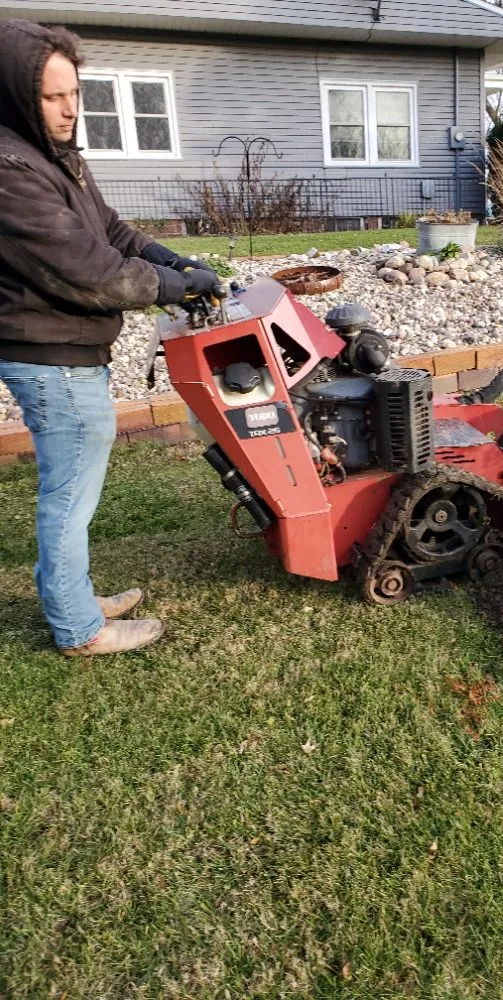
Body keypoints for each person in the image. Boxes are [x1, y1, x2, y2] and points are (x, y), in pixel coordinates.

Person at [0, 19, 218, 656]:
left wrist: (170, 259)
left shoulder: (48, 153)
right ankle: (78, 628)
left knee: (73, 490)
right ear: (17, 93)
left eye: (74, 92)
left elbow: (111, 233)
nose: (70, 109)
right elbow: (89, 269)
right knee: (69, 496)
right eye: (51, 97)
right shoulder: (11, 171)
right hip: (52, 358)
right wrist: (169, 287)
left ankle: (71, 595)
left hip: (67, 352)